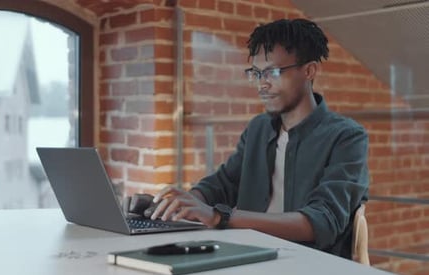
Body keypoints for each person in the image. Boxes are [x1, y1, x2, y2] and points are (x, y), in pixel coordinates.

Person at [150, 18, 369, 259]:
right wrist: (177, 204)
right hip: (247, 255)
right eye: (256, 73)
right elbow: (222, 184)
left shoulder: (346, 137)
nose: (262, 84)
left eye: (273, 72)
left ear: (309, 70)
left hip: (308, 263)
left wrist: (218, 217)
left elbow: (321, 221)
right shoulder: (258, 128)